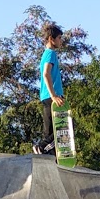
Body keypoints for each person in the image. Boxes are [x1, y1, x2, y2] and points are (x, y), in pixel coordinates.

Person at [33, 22, 65, 156]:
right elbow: (46, 73)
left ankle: (48, 155)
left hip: (47, 96)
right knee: (63, 129)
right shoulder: (50, 53)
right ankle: (41, 147)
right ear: (52, 39)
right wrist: (54, 96)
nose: (61, 41)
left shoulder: (46, 54)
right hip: (52, 97)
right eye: (59, 38)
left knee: (50, 131)